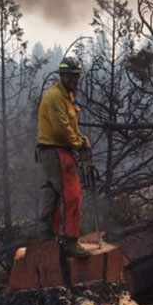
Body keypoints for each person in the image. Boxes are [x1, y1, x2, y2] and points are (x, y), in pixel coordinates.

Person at [37, 56, 93, 258]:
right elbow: (62, 129)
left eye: (76, 76)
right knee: (72, 194)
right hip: (56, 151)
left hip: (57, 151)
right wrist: (79, 144)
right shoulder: (55, 97)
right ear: (62, 75)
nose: (73, 80)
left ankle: (46, 240)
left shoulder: (66, 97)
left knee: (53, 194)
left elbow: (70, 126)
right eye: (70, 76)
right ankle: (70, 242)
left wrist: (80, 139)